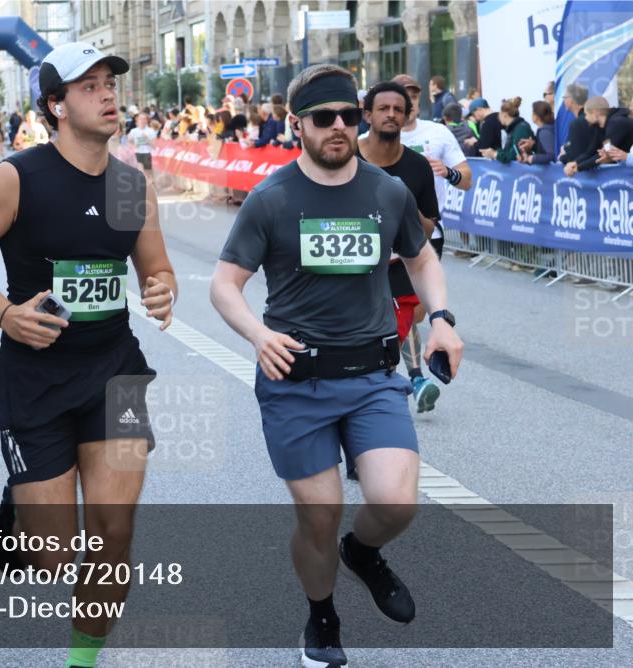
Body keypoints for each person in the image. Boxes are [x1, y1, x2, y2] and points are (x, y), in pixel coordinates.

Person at [210, 63, 463, 668]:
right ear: (297, 124)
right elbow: (224, 285)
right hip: (296, 379)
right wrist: (258, 334)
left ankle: (363, 552)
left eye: (349, 116)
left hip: (373, 376)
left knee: (396, 503)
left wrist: (443, 318)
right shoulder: (272, 198)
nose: (339, 127)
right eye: (324, 117)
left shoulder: (386, 191)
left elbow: (421, 258)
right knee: (319, 515)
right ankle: (322, 616)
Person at [0, 41, 176, 668]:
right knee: (52, 556)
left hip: (116, 373)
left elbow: (155, 268)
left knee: (114, 533)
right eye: (89, 86)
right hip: (36, 378)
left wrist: (160, 290)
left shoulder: (130, 184)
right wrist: (5, 313)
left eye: (110, 84)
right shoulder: (17, 178)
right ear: (56, 104)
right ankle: (21, 506)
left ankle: (81, 662)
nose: (108, 95)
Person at [357, 79, 442, 427]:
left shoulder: (417, 166)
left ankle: (398, 388)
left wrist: (403, 200)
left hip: (399, 268)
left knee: (395, 332)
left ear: (407, 117)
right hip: (352, 269)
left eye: (398, 110)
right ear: (367, 115)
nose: (391, 114)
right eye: (383, 108)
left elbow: (427, 228)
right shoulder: (346, 157)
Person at [389, 74, 471, 411]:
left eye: (413, 94)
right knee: (400, 307)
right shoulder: (371, 139)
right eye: (402, 95)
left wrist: (447, 172)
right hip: (386, 238)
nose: (408, 100)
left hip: (428, 235)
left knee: (416, 312)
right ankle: (412, 378)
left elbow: (466, 179)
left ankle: (394, 369)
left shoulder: (437, 133)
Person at [567, 95, 633, 174]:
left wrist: (578, 168)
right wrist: (575, 162)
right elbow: (590, 152)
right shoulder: (600, 126)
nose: (586, 118)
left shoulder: (616, 123)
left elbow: (606, 153)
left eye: (587, 114)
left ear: (595, 113)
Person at [479, 97, 533, 164]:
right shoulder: (514, 129)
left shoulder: (520, 129)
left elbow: (514, 155)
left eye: (499, 114)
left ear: (504, 115)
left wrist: (494, 154)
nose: (498, 117)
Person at [558, 83, 592, 166]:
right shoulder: (589, 118)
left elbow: (576, 156)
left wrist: (562, 157)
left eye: (564, 97)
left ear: (571, 99)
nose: (564, 101)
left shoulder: (577, 124)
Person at [127, 111, 156, 177]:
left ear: (147, 120)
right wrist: (133, 146)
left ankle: (149, 182)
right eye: (141, 119)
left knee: (148, 174)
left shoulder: (151, 131)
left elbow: (154, 146)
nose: (142, 121)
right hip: (137, 153)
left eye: (144, 119)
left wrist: (147, 140)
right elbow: (129, 142)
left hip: (148, 153)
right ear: (137, 120)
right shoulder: (133, 131)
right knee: (140, 172)